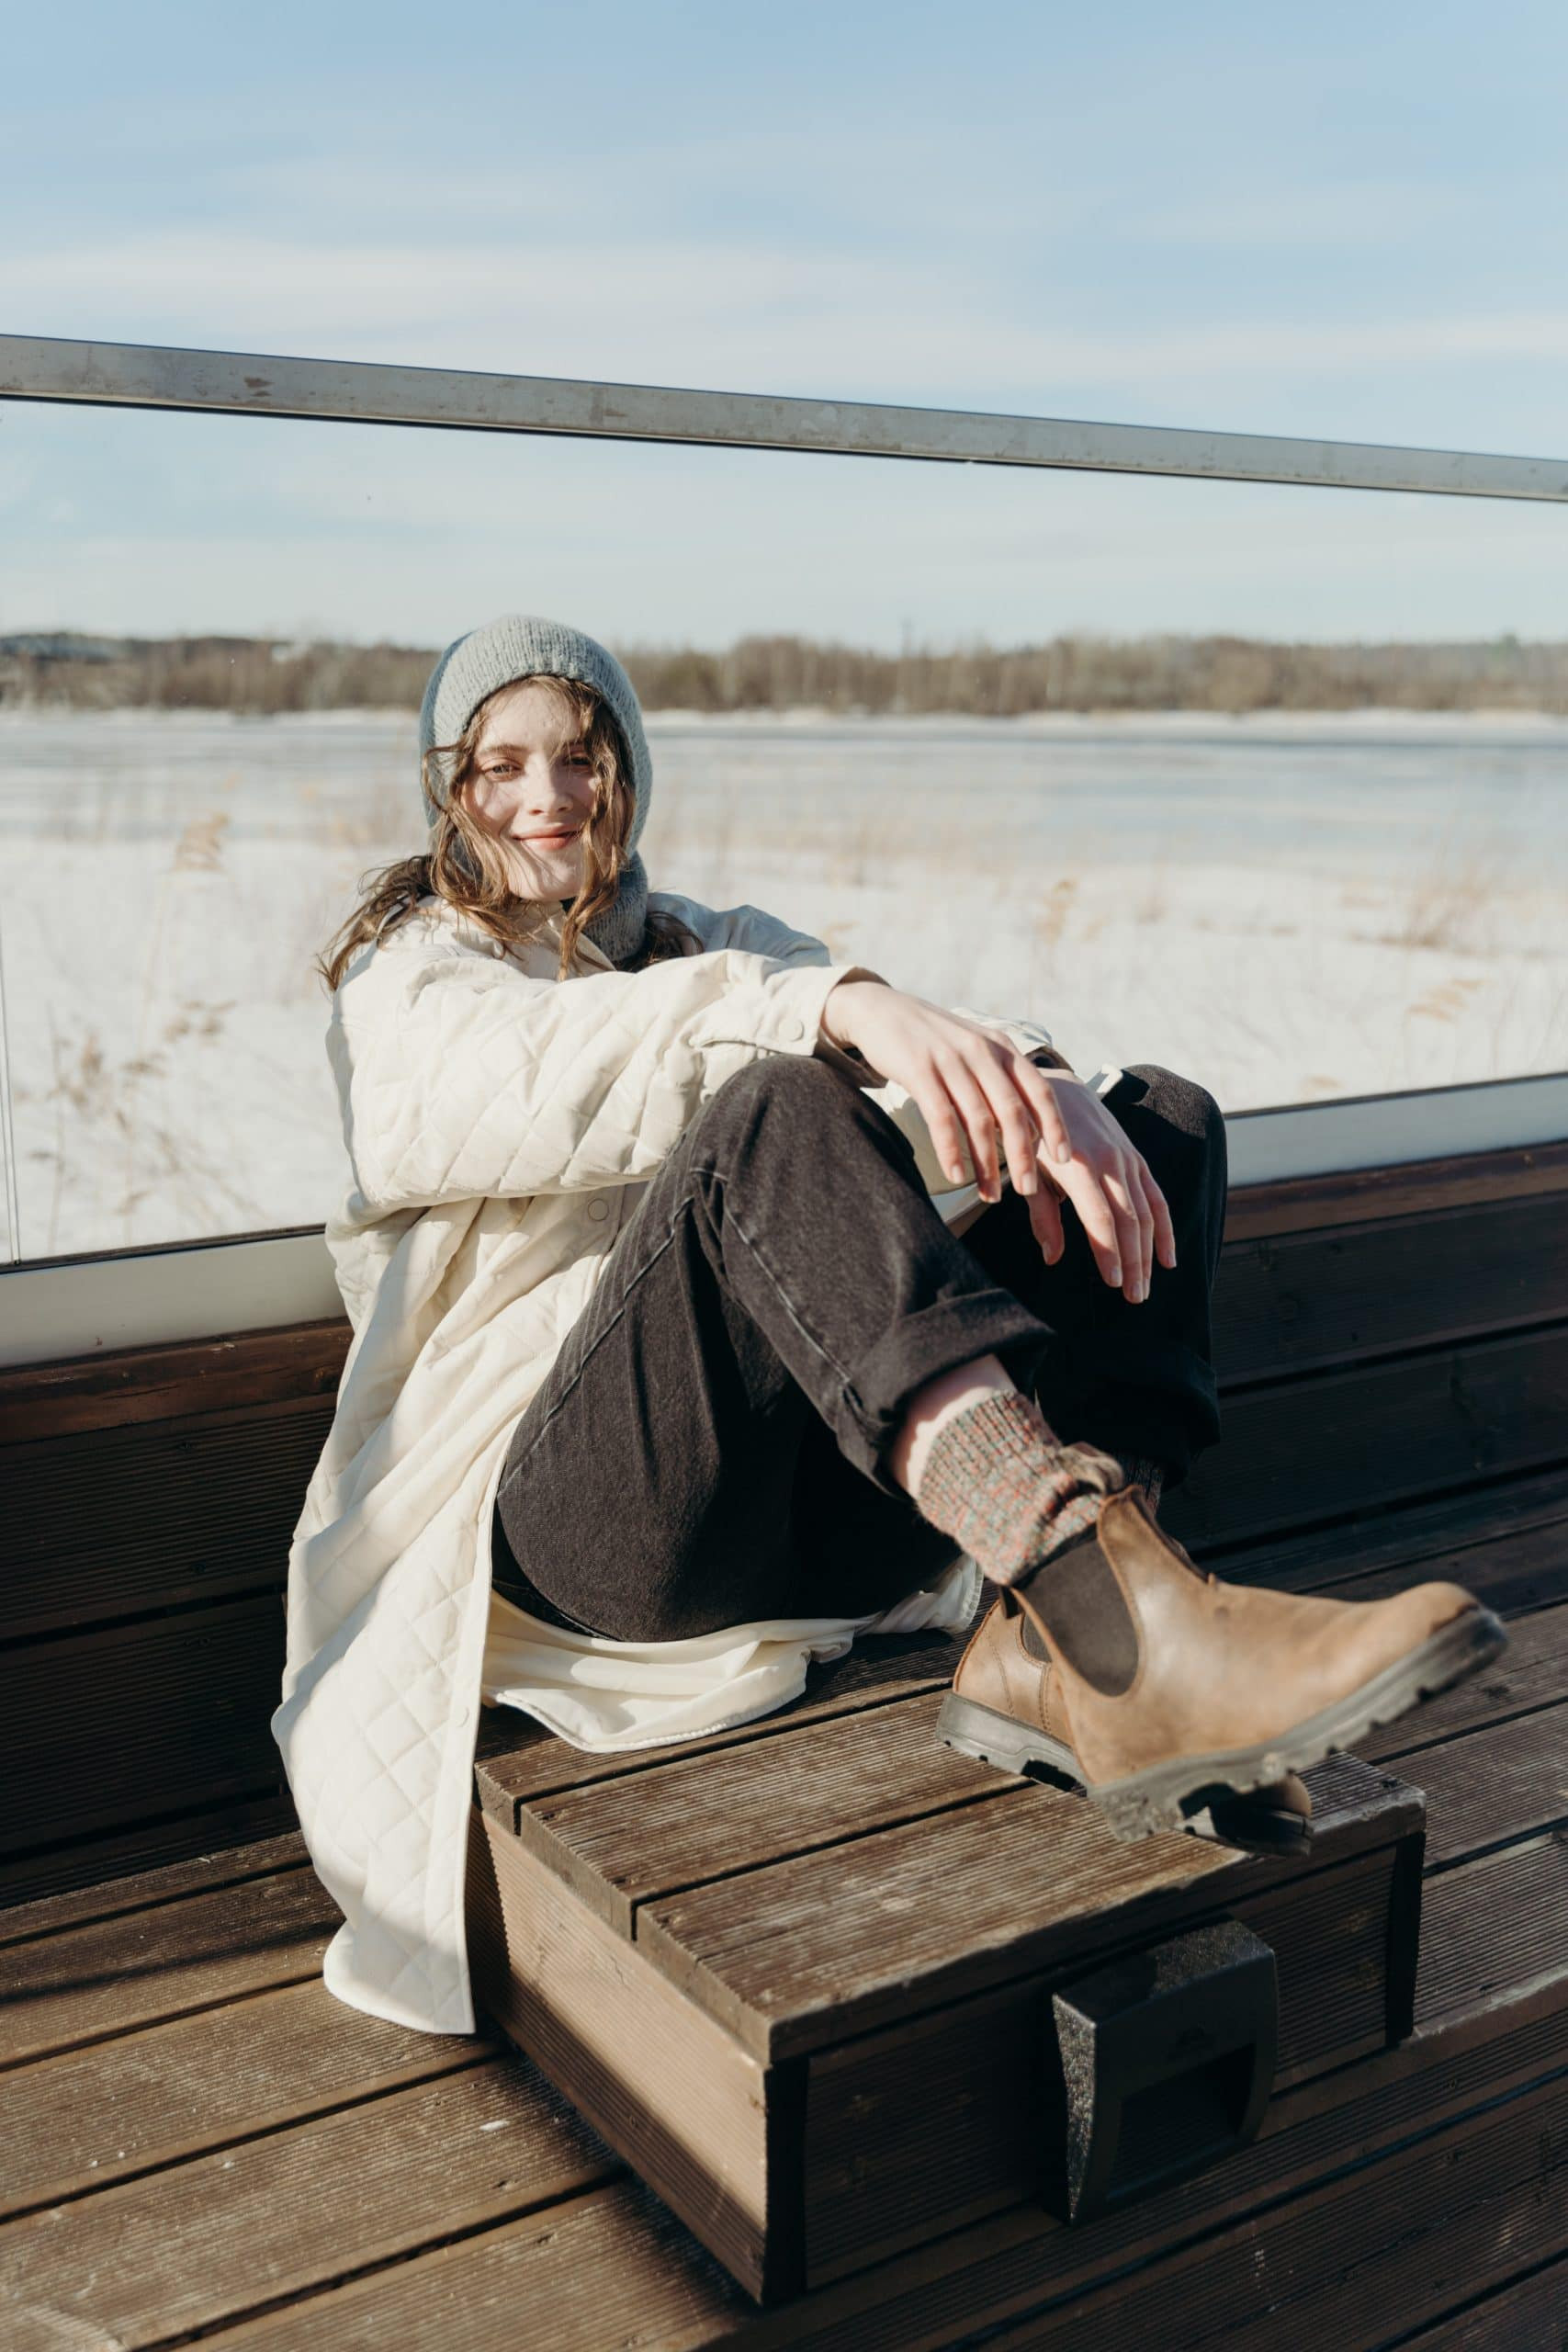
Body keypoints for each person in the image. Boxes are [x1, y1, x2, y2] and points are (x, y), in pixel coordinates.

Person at [276, 614, 1505, 2040]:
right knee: (776, 1105)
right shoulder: (413, 975)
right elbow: (545, 1074)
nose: (546, 798)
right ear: (449, 789)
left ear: (629, 774)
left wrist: (1038, 1079)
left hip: (789, 1506)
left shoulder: (715, 945)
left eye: (581, 757)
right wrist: (825, 1012)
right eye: (498, 766)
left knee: (1146, 1118)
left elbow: (912, 1035)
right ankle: (1103, 1609)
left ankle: (1073, 1641)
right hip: (581, 1532)